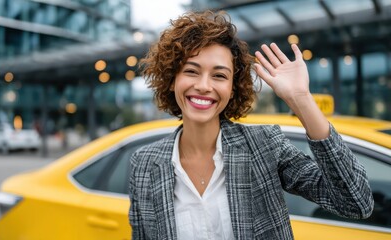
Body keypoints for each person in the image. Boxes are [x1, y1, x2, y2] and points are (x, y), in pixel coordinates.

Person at [129, 10, 374, 239]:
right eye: (191, 71)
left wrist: (301, 99)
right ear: (172, 81)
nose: (204, 85)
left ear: (232, 88)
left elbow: (355, 202)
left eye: (219, 75)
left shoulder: (263, 145)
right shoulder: (143, 164)